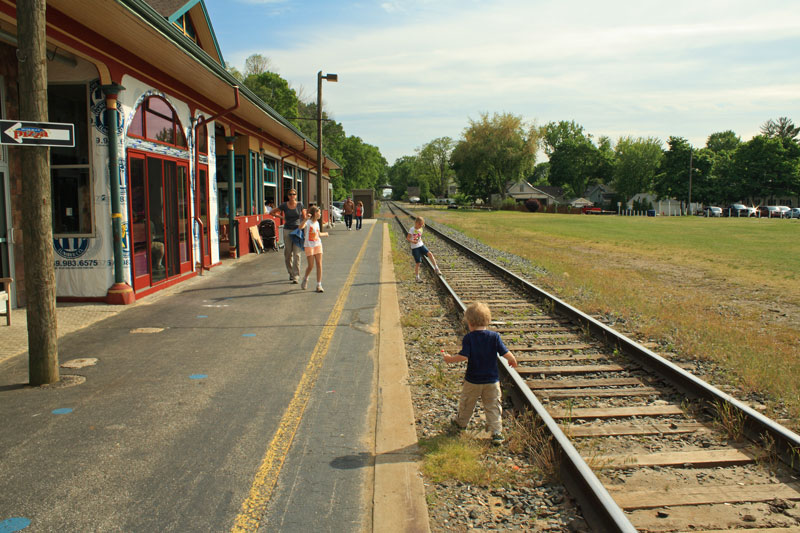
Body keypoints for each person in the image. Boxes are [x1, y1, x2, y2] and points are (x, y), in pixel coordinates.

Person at [442, 302, 518, 445]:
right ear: (487, 320)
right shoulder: (494, 337)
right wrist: (512, 359)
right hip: (492, 381)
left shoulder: (469, 338)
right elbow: (505, 352)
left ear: (469, 322)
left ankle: (461, 424)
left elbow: (464, 356)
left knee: (467, 403)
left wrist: (450, 359)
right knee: (493, 405)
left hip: (473, 380)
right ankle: (497, 433)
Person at [270, 189, 306, 283]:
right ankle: (291, 273)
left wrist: (304, 227)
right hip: (287, 230)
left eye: (294, 194)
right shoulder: (284, 205)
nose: (292, 196)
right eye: (290, 194)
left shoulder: (300, 205)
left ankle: (296, 276)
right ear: (288, 196)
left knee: (297, 254)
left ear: (296, 195)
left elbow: (305, 217)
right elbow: (272, 212)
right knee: (288, 254)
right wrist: (282, 217)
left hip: (297, 230)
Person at [298, 205, 329, 292]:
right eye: (319, 212)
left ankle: (319, 285)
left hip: (317, 244)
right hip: (309, 245)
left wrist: (325, 234)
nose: (320, 214)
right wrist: (305, 219)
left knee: (319, 264)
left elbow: (318, 234)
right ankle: (305, 278)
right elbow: (300, 227)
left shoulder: (317, 223)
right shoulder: (307, 222)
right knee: (311, 266)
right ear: (315, 213)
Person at [406, 216, 441, 282]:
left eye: (422, 224)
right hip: (415, 248)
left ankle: (436, 268)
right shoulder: (412, 229)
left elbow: (419, 237)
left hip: (421, 245)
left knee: (430, 254)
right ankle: (417, 277)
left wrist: (421, 241)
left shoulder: (421, 229)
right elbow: (407, 238)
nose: (421, 226)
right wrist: (413, 241)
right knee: (418, 263)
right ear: (416, 223)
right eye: (420, 224)